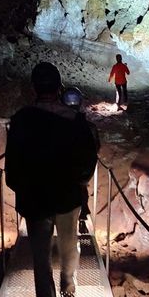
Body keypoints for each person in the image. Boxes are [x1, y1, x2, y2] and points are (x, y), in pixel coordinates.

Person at [5, 63, 98, 297]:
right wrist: (80, 184)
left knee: (40, 254)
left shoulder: (21, 120)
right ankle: (68, 287)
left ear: (34, 87)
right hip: (67, 197)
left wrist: (21, 188)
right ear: (59, 87)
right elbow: (88, 161)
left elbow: (13, 165)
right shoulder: (75, 121)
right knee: (68, 247)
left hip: (34, 200)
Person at [61, 86, 100, 234]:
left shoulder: (58, 124)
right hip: (83, 169)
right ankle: (82, 219)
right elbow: (97, 146)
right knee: (82, 190)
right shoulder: (89, 126)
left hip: (64, 169)